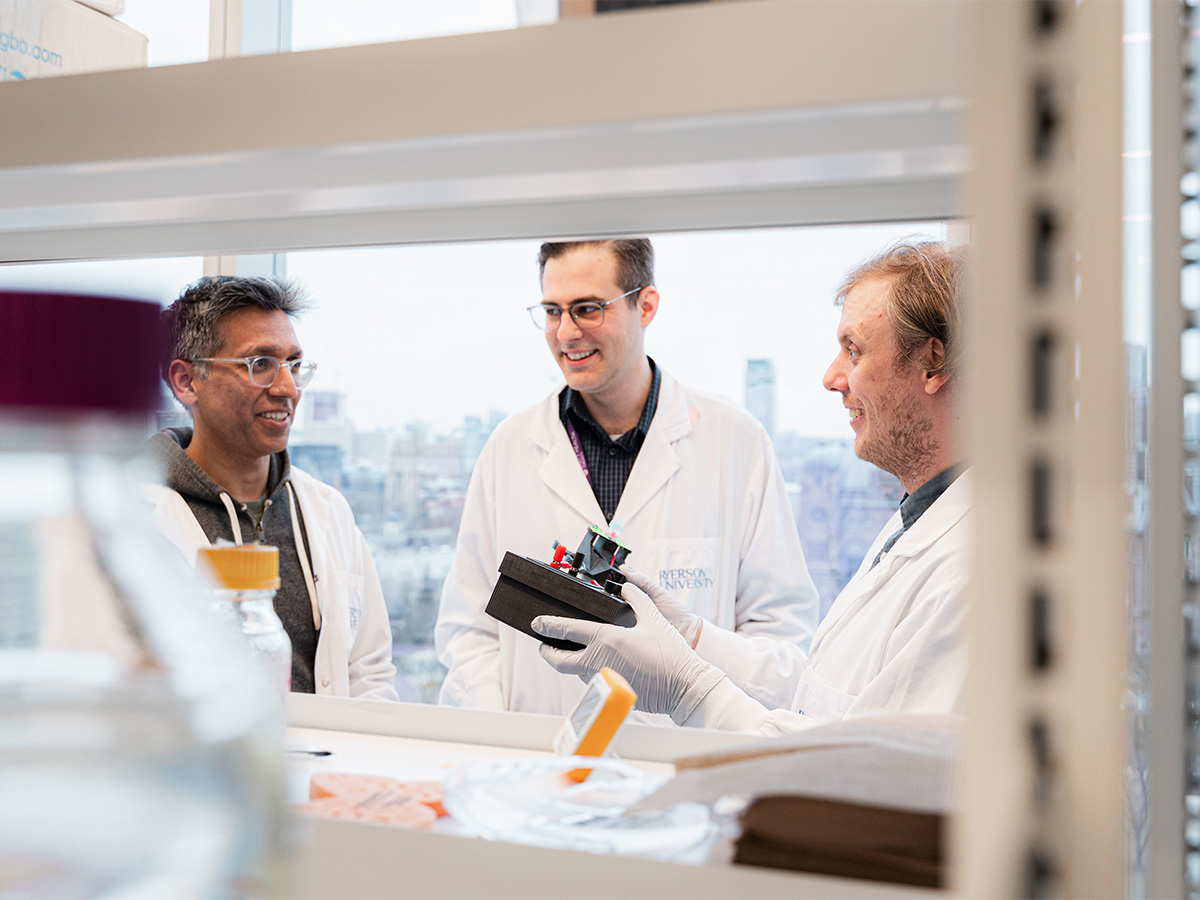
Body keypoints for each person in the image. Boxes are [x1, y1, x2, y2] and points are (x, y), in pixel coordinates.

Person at [533, 240, 969, 734]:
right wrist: (691, 637)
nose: (831, 378)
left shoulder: (967, 572)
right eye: (552, 311)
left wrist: (686, 688)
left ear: (933, 363)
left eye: (853, 350)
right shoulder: (913, 524)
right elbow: (818, 698)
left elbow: (859, 766)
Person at [434, 238, 818, 715]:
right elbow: (468, 630)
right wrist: (499, 736)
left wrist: (697, 653)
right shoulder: (508, 447)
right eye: (552, 312)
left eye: (587, 309)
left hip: (684, 752)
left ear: (646, 305)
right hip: (537, 749)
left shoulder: (735, 441)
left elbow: (779, 632)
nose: (566, 333)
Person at [146, 275, 398, 701]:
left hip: (325, 745)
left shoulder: (326, 510)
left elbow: (369, 671)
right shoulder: (137, 519)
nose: (288, 388)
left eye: (294, 364)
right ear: (186, 381)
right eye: (260, 364)